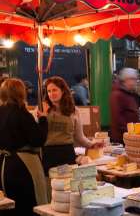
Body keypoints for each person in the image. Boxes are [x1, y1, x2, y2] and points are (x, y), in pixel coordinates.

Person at [0, 78, 48, 215]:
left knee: (9, 206)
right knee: (27, 204)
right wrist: (43, 119)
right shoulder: (21, 113)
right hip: (23, 166)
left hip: (3, 164)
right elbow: (38, 140)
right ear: (20, 93)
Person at [42, 76, 98, 175]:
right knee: (52, 186)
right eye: (49, 91)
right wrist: (43, 117)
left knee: (66, 185)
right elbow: (36, 135)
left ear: (63, 91)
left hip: (66, 154)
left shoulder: (74, 111)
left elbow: (79, 137)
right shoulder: (42, 110)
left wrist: (92, 144)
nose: (51, 94)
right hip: (48, 155)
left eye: (54, 90)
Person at [110, 68, 140, 144]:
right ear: (126, 80)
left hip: (130, 136)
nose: (135, 82)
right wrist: (130, 132)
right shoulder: (117, 95)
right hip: (122, 138)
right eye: (133, 79)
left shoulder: (128, 93)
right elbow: (117, 118)